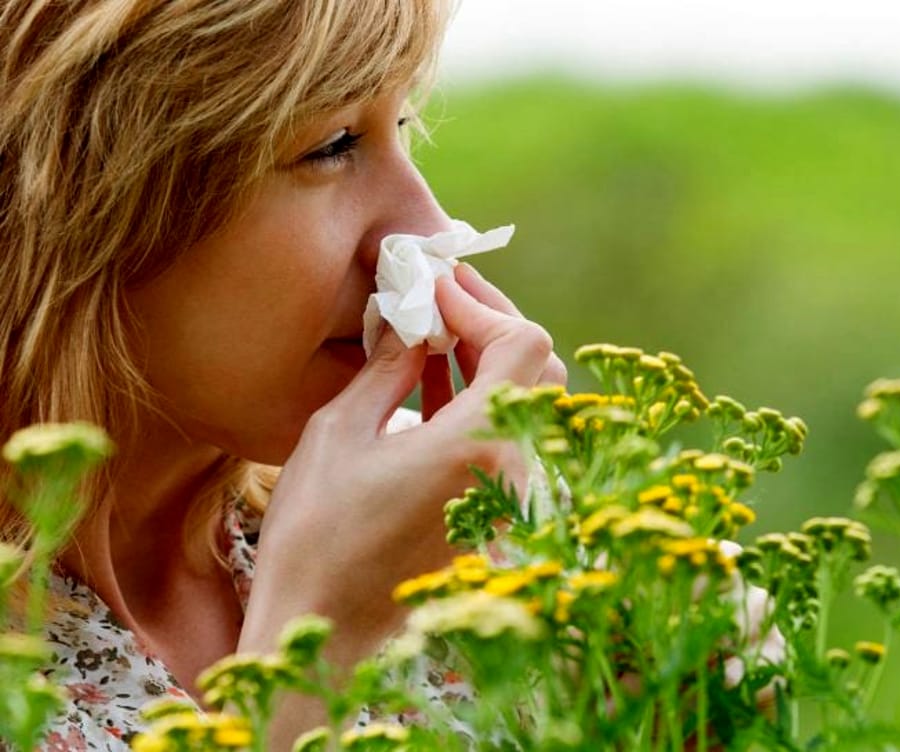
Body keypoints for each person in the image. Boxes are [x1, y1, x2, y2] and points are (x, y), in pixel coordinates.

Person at [0, 1, 567, 749]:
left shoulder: (439, 510)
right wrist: (310, 656)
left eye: (401, 129)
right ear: (88, 209)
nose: (429, 232)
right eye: (332, 145)